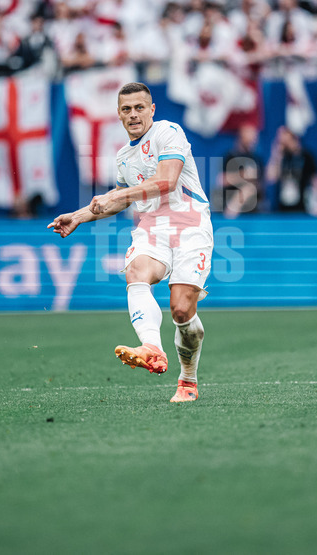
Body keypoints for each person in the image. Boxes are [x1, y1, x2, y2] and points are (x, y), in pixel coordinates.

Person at [47, 82, 211, 403]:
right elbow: (120, 202)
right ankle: (152, 347)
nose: (133, 114)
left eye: (139, 108)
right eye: (126, 109)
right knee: (136, 272)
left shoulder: (168, 132)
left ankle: (188, 379)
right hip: (153, 227)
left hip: (190, 224)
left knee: (181, 310)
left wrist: (117, 194)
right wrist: (79, 216)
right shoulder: (124, 157)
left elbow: (166, 180)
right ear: (119, 115)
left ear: (151, 110)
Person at [265, 126, 317, 213]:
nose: (280, 139)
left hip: (302, 208)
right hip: (281, 210)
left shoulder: (306, 156)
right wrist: (275, 155)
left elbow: (316, 180)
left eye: (283, 136)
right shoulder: (281, 157)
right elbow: (271, 178)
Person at [219, 124, 265, 217]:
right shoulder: (230, 156)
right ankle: (232, 210)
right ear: (241, 135)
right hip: (231, 207)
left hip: (252, 210)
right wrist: (242, 175)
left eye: (255, 134)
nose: (253, 138)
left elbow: (260, 185)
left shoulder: (256, 158)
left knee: (249, 188)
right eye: (250, 133)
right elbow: (221, 180)